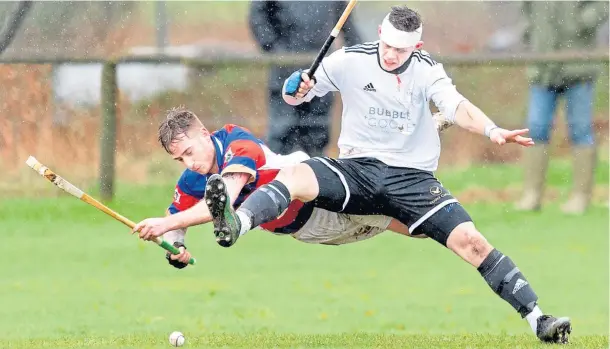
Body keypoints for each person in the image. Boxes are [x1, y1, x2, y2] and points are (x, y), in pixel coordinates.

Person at [205, 5, 572, 344]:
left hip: (412, 179)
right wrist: (296, 86)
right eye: (388, 44)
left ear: (418, 46)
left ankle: (538, 319)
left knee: (472, 242)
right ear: (380, 32)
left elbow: (456, 106)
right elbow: (296, 95)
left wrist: (492, 130)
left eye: (402, 49)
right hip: (358, 169)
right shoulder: (350, 59)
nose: (392, 54)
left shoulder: (427, 69)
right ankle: (237, 223)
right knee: (296, 173)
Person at [132, 107, 450, 268]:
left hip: (319, 196)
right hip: (309, 228)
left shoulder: (236, 141)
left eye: (189, 152)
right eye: (179, 159)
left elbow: (224, 198)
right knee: (412, 225)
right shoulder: (192, 179)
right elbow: (176, 214)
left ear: (204, 133)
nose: (188, 164)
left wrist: (166, 225)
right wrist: (176, 248)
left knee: (419, 225)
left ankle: (425, 132)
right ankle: (420, 138)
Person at [515, 1, 609, 214]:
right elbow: (526, 11)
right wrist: (528, 30)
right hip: (543, 68)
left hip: (579, 67)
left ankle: (580, 197)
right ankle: (532, 195)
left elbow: (602, 5)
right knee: (536, 128)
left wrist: (582, 20)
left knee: (580, 130)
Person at [248, 1, 362, 157]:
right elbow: (258, 17)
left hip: (321, 70)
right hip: (284, 69)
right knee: (281, 134)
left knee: (317, 135)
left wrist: (360, 57)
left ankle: (315, 174)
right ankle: (277, 175)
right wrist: (275, 49)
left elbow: (347, 24)